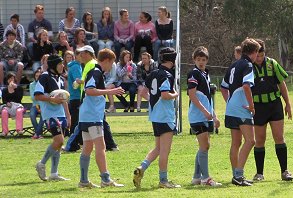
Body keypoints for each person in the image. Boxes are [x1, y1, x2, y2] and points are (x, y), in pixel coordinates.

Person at [133, 47, 181, 189]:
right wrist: (175, 94)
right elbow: (165, 94)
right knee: (165, 150)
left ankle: (141, 168)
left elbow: (142, 91)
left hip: (155, 115)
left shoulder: (153, 73)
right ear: (172, 60)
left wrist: (152, 100)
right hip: (165, 115)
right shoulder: (167, 75)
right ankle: (163, 180)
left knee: (158, 148)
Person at [77, 48, 125, 188]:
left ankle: (84, 181)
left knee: (87, 147)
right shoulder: (96, 71)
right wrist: (111, 91)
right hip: (92, 116)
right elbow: (89, 90)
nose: (112, 67)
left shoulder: (96, 72)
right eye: (112, 63)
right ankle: (105, 179)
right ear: (107, 61)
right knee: (101, 146)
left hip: (86, 115)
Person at [251, 39, 293, 181]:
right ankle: (259, 173)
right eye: (257, 55)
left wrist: (287, 103)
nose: (259, 58)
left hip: (274, 105)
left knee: (279, 137)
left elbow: (282, 84)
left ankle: (284, 171)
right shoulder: (248, 67)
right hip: (258, 108)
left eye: (261, 55)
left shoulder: (272, 64)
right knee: (260, 139)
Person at [220, 38, 260, 186]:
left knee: (236, 142)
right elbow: (246, 86)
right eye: (257, 52)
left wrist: (230, 103)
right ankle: (239, 175)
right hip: (242, 109)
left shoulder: (234, 65)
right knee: (251, 141)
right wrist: (252, 105)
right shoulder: (248, 65)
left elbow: (223, 88)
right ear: (254, 52)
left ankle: (236, 176)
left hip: (231, 109)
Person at [187, 46, 222, 186]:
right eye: (198, 59)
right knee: (205, 146)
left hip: (205, 116)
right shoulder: (193, 73)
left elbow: (207, 99)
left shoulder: (205, 74)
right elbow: (192, 95)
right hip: (197, 116)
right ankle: (206, 178)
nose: (201, 62)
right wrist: (204, 112)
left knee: (204, 146)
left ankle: (196, 177)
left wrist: (214, 115)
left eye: (203, 59)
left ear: (207, 60)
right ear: (194, 60)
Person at [34, 54, 71, 181]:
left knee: (59, 144)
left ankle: (54, 173)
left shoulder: (60, 79)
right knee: (59, 141)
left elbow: (63, 98)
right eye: (60, 64)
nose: (62, 66)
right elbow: (37, 95)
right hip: (50, 114)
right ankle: (42, 163)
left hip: (61, 114)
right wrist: (51, 99)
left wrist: (68, 115)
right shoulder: (44, 77)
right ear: (53, 65)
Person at [67, 50, 81, 136]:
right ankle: (73, 141)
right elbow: (78, 82)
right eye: (81, 55)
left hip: (74, 96)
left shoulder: (76, 66)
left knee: (76, 120)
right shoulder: (76, 67)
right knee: (76, 121)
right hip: (77, 96)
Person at [30, 67, 44, 139]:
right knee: (32, 115)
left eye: (39, 76)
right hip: (35, 105)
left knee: (43, 116)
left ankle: (37, 134)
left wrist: (38, 96)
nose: (37, 77)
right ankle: (39, 133)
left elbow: (44, 96)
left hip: (43, 105)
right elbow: (33, 97)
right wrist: (39, 97)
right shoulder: (32, 85)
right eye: (36, 76)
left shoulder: (44, 84)